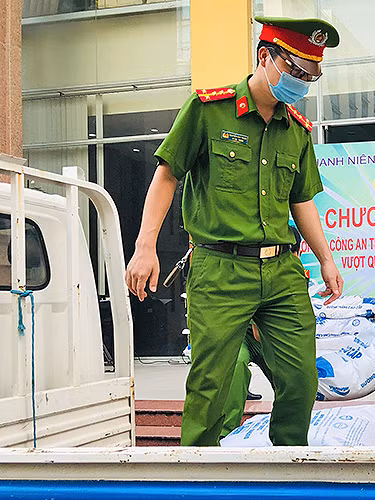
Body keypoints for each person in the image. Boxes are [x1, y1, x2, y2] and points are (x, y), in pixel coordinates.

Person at [124, 17, 343, 446]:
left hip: (282, 271)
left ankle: (287, 471)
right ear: (266, 57)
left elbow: (301, 200)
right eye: (296, 71)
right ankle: (196, 479)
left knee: (300, 378)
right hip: (220, 269)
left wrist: (326, 258)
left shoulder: (296, 129)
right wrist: (145, 244)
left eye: (311, 76)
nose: (302, 82)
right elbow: (167, 175)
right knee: (212, 386)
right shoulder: (208, 110)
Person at [220, 226, 309, 439]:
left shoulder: (296, 276)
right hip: (242, 335)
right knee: (235, 364)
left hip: (271, 336)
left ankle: (288, 439)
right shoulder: (243, 267)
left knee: (295, 373)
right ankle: (225, 435)